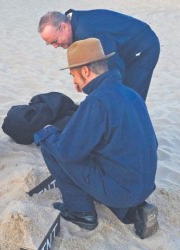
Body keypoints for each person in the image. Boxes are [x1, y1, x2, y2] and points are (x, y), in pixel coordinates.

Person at [34, 38, 159, 239]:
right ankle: (131, 209)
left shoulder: (98, 101)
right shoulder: (131, 94)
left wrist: (48, 131)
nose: (73, 81)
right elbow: (151, 143)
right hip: (143, 185)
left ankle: (81, 213)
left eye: (73, 75)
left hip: (123, 190)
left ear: (85, 71)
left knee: (49, 141)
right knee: (97, 145)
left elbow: (68, 152)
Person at [38, 9, 160, 100]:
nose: (55, 46)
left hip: (144, 46)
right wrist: (79, 79)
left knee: (130, 98)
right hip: (120, 48)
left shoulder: (87, 31)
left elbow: (113, 68)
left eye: (55, 41)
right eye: (50, 44)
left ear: (64, 27)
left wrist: (92, 90)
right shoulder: (72, 23)